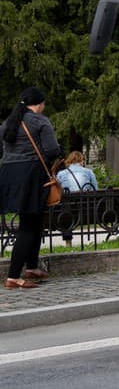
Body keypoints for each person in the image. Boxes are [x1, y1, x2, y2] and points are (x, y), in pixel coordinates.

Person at [0, 87, 64, 289]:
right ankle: (13, 278)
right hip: (31, 174)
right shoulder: (40, 120)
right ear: (40, 103)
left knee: (34, 220)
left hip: (9, 174)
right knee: (28, 225)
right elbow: (53, 149)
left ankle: (32, 267)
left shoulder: (7, 123)